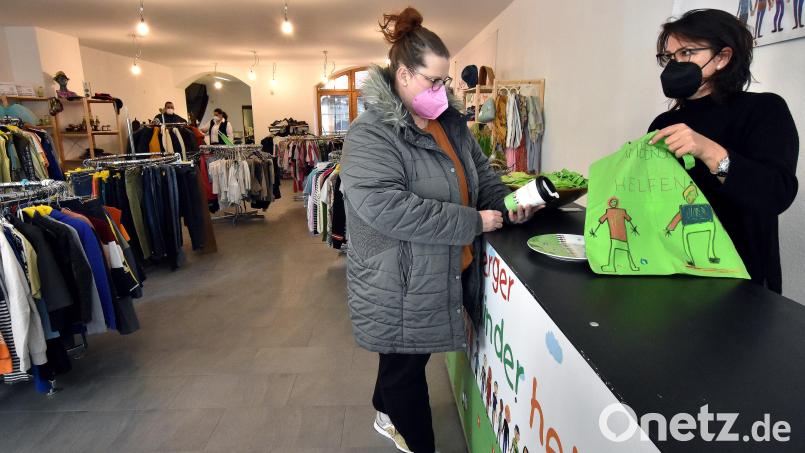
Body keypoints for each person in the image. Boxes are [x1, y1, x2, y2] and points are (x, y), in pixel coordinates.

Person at [340, 7, 538, 453]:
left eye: (445, 81)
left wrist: (506, 204)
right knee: (406, 369)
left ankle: (383, 408)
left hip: (438, 268)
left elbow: (479, 176)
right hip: (400, 278)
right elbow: (388, 208)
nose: (441, 90)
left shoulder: (448, 121)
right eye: (434, 81)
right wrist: (473, 221)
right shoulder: (370, 133)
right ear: (405, 75)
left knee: (406, 356)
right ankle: (410, 437)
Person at [649, 9, 798, 294]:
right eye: (669, 57)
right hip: (672, 271)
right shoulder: (663, 124)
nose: (674, 64)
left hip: (742, 282)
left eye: (686, 52)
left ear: (722, 57)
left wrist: (710, 152)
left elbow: (775, 194)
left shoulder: (764, 110)